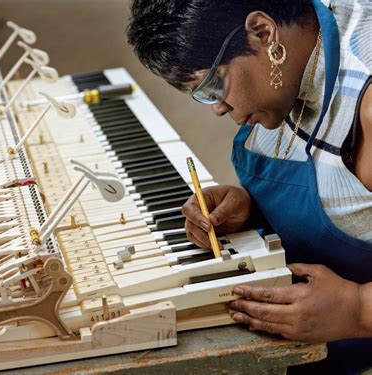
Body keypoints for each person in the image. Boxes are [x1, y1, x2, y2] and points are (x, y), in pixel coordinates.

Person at [126, 0, 372, 373]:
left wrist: (359, 308)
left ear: (262, 32)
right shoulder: (291, 63)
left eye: (213, 86)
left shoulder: (366, 99)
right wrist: (255, 209)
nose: (218, 109)